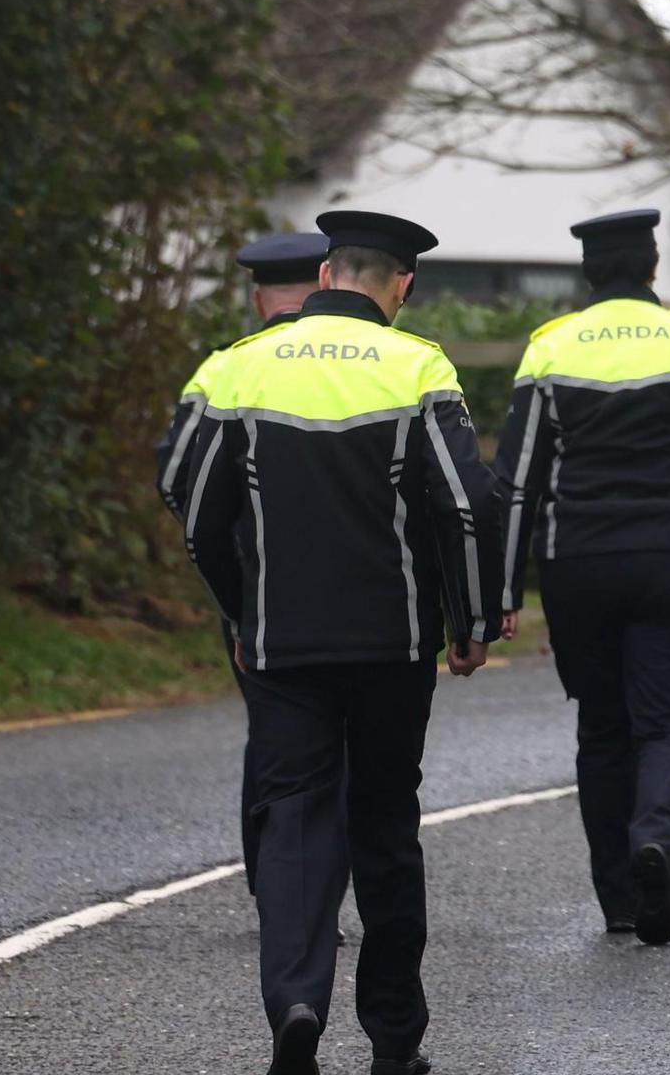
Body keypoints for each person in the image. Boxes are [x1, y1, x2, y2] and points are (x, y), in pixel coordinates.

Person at [169, 210, 511, 1075]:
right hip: (393, 645)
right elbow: (465, 507)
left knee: (295, 818)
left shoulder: (241, 368)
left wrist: (241, 613)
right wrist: (470, 625)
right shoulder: (418, 365)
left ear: (324, 275)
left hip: (283, 645)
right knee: (386, 826)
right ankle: (395, 1040)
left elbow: (195, 508)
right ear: (403, 286)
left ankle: (295, 1000)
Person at [491, 209, 670, 945]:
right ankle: (658, 849)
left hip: (576, 563)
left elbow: (516, 481)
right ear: (652, 268)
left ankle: (618, 897)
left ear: (586, 274)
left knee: (603, 726)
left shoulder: (549, 347)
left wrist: (505, 587)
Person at [155, 231, 331, 899]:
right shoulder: (375, 360)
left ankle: (273, 881)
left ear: (259, 298)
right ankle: (331, 884)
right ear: (327, 280)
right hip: (365, 586)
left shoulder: (224, 368)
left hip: (255, 587)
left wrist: (232, 550)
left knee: (275, 733)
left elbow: (176, 478)